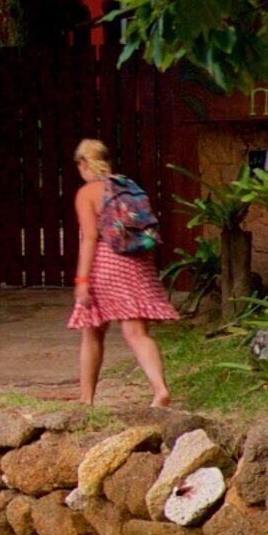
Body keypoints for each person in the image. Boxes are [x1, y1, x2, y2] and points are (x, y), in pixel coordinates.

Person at [69, 136, 178, 407]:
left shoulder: (87, 193)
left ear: (83, 163)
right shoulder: (128, 186)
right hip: (139, 262)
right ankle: (160, 389)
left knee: (92, 331)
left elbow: (91, 238)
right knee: (137, 333)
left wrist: (82, 280)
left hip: (106, 265)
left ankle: (86, 399)